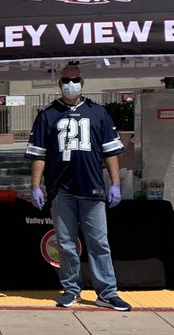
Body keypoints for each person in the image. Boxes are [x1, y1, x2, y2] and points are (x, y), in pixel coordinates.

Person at [26, 66, 131, 311]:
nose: (70, 84)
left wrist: (115, 183)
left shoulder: (98, 112)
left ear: (82, 82)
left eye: (75, 80)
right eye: (66, 80)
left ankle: (107, 292)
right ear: (59, 84)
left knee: (99, 243)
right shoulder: (48, 115)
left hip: (92, 187)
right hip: (61, 189)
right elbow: (39, 154)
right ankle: (71, 289)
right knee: (65, 243)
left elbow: (111, 151)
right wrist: (35, 186)